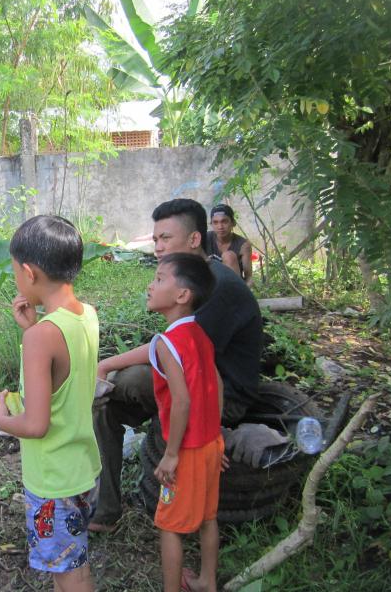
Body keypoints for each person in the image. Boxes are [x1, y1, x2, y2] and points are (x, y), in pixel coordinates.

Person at [90, 198, 262, 532]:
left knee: (121, 386)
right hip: (194, 380)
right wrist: (107, 364)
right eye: (155, 240)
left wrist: (106, 366)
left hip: (223, 397)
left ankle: (117, 506)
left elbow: (174, 353)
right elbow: (169, 344)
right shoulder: (190, 280)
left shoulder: (218, 286)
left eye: (166, 238)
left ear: (195, 240)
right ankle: (106, 509)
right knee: (107, 404)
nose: (157, 247)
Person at [0, 215, 101, 592]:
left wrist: (0, 419)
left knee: (68, 574)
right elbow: (64, 379)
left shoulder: (41, 338)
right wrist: (30, 328)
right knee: (74, 565)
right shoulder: (86, 315)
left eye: (15, 271)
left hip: (54, 482)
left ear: (29, 272)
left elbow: (36, 425)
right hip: (84, 470)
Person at [145, 252, 223, 592]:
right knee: (208, 518)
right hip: (209, 444)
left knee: (170, 525)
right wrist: (216, 435)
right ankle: (207, 580)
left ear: (182, 295)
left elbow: (182, 400)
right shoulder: (200, 335)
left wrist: (171, 454)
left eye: (160, 279)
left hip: (187, 451)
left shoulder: (167, 342)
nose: (150, 285)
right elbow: (217, 386)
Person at [206, 204, 253, 287]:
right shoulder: (205, 239)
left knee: (229, 256)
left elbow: (249, 278)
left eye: (224, 221)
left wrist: (245, 291)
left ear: (233, 223)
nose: (220, 227)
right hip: (209, 287)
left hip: (233, 288)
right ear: (211, 224)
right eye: (215, 222)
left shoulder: (243, 245)